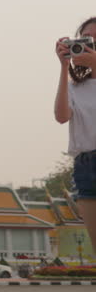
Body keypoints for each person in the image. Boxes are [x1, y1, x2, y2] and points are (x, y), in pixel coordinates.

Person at [55, 16, 96, 251]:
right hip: (86, 167)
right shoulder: (75, 87)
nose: (90, 46)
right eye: (86, 39)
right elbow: (61, 116)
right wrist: (63, 67)